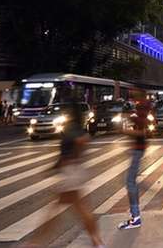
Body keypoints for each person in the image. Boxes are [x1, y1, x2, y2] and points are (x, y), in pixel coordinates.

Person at [28, 102, 105, 248]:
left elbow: (80, 142)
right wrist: (75, 156)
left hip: (70, 171)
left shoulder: (71, 128)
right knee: (79, 208)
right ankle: (97, 242)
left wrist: (65, 160)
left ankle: (35, 243)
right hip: (76, 170)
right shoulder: (79, 127)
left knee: (58, 209)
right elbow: (84, 139)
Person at [117, 99, 152, 230]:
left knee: (130, 182)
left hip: (138, 150)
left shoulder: (143, 117)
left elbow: (142, 132)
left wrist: (125, 131)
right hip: (137, 150)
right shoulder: (139, 117)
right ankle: (135, 216)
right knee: (130, 182)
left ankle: (135, 217)